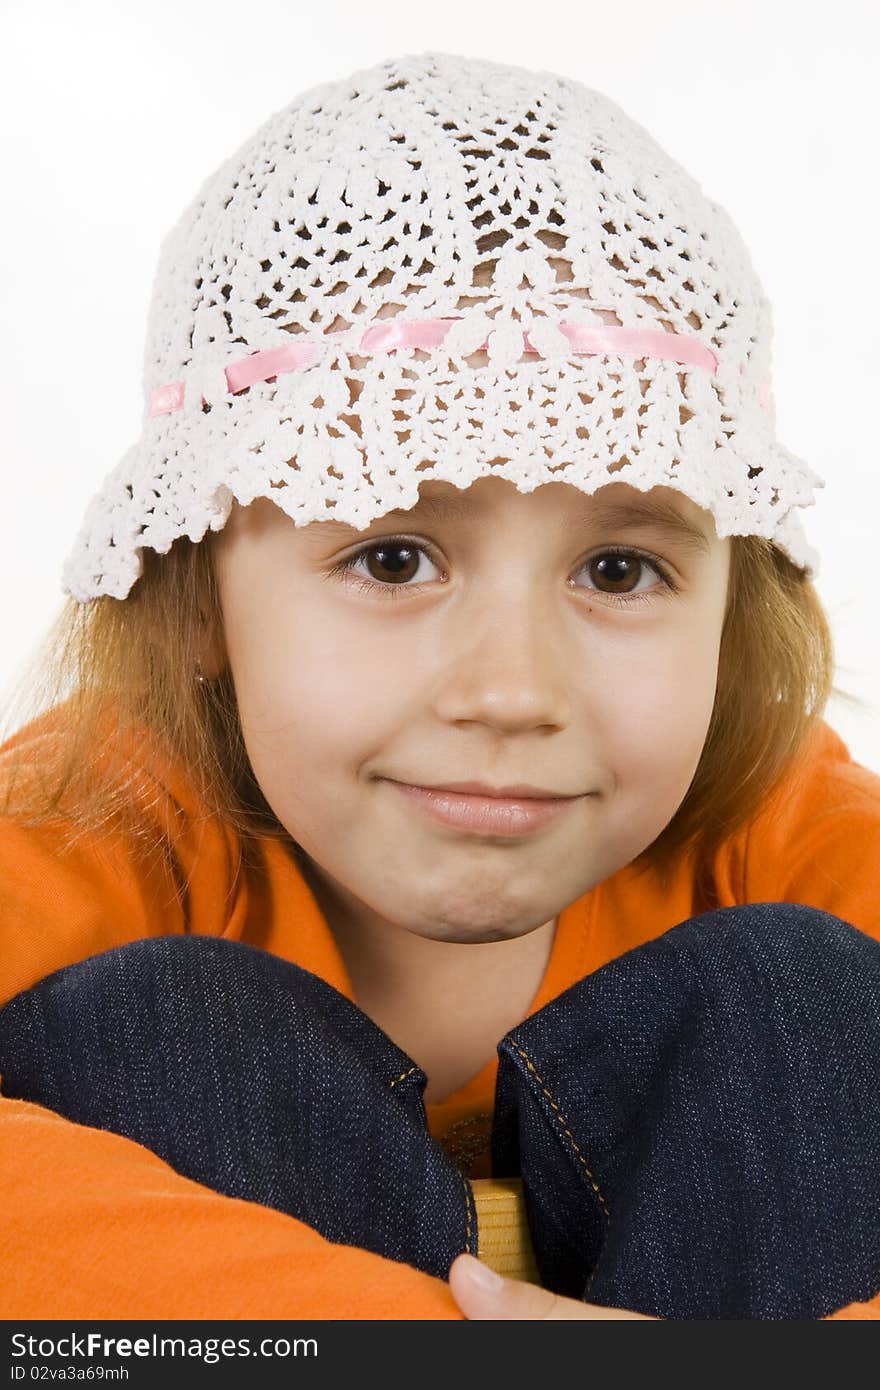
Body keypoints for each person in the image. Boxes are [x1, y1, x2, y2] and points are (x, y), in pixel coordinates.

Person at [0, 51, 878, 1322]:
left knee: (802, 993)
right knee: (166, 1021)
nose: (512, 691)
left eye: (620, 569)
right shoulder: (102, 808)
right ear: (196, 597)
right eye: (391, 555)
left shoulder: (774, 822)